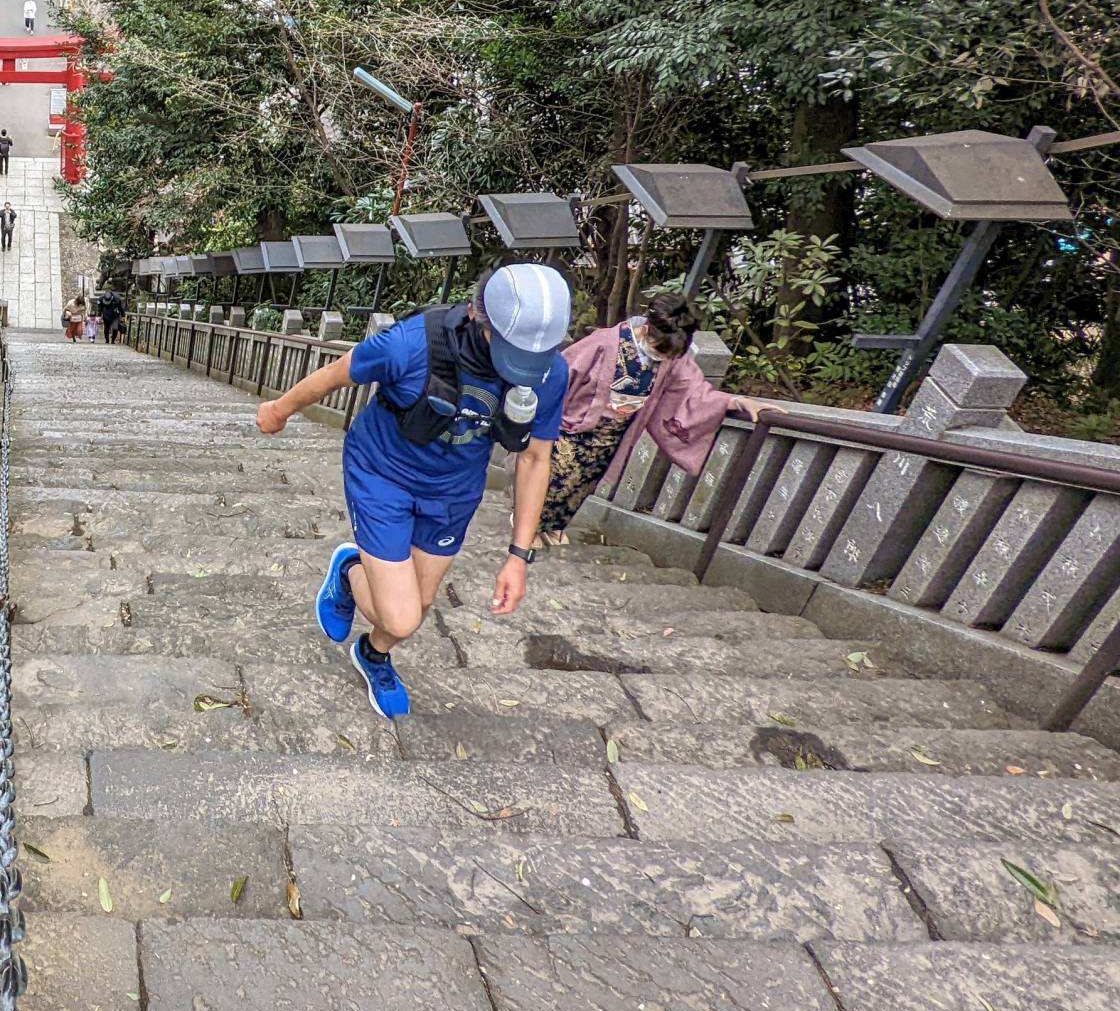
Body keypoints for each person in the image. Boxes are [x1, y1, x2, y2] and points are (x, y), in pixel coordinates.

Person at [255, 262, 573, 721]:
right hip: (383, 473)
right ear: (477, 316)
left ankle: (373, 652)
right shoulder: (412, 343)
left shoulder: (549, 373)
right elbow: (338, 374)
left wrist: (518, 556)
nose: (523, 366)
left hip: (454, 491)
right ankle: (350, 572)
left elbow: (534, 458)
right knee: (402, 615)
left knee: (417, 609)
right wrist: (279, 410)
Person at [547, 290, 768, 545]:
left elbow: (693, 392)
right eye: (658, 350)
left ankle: (555, 526)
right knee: (555, 479)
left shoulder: (674, 356)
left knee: (581, 486)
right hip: (573, 427)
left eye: (668, 356)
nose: (662, 358)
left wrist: (733, 401)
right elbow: (563, 371)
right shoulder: (605, 341)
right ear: (647, 328)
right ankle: (530, 526)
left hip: (613, 435)